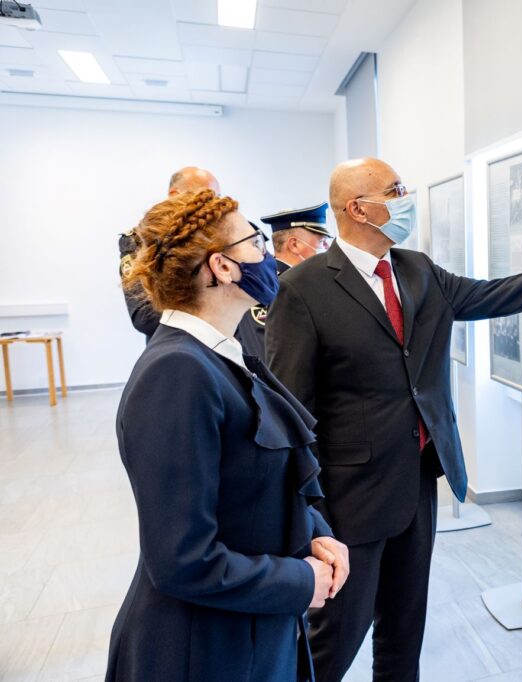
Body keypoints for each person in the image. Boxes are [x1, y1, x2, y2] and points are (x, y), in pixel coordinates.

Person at [266, 157, 522, 682]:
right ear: (358, 208)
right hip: (349, 500)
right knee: (334, 643)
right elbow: (292, 413)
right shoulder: (303, 289)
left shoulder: (416, 269)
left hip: (416, 483)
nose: (405, 197)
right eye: (395, 190)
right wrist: (311, 516)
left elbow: (494, 294)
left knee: (404, 632)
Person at [106, 189, 349, 681]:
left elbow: (252, 490)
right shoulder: (175, 372)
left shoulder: (221, 353)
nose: (266, 254)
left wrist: (316, 537)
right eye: (255, 242)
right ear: (222, 267)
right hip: (203, 651)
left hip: (248, 632)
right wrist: (300, 579)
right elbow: (182, 559)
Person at [118, 166, 221, 342]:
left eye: (215, 198)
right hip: (179, 348)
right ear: (174, 194)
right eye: (204, 196)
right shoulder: (140, 240)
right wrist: (212, 311)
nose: (211, 205)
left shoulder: (220, 236)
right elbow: (144, 317)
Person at [235, 203, 332, 360]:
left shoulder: (313, 283)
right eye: (322, 242)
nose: (328, 248)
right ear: (294, 245)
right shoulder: (265, 289)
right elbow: (266, 357)